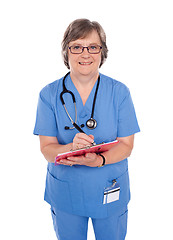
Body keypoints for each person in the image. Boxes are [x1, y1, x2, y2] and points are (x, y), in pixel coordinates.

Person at [33, 18, 140, 240]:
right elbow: (46, 148)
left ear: (102, 52)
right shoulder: (49, 95)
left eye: (93, 47)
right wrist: (70, 147)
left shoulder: (119, 93)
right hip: (66, 191)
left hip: (109, 187)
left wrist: (99, 160)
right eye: (76, 47)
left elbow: (127, 145)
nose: (85, 54)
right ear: (66, 52)